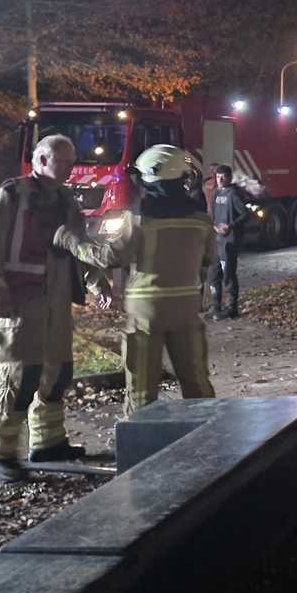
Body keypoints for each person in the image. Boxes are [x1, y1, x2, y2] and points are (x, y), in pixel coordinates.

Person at [53, 145, 217, 416]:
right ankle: (209, 440)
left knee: (141, 388)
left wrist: (73, 242)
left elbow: (109, 257)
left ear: (150, 180)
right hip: (187, 309)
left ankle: (142, 446)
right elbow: (209, 258)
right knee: (197, 383)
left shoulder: (139, 221)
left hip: (146, 312)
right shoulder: (201, 221)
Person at [0, 134, 94, 482]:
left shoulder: (65, 199)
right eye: (62, 162)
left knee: (57, 373)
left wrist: (97, 283)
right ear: (40, 160)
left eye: (71, 162)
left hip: (55, 299)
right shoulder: (10, 196)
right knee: (19, 377)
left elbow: (77, 248)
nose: (68, 169)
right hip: (18, 300)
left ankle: (48, 442)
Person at [208, 164, 250, 320]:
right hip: (216, 241)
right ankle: (215, 306)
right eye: (218, 176)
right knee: (213, 274)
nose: (220, 179)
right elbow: (212, 214)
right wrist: (213, 226)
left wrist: (230, 226)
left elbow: (245, 214)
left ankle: (232, 308)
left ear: (229, 178)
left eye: (223, 176)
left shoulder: (233, 194)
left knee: (228, 275)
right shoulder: (215, 193)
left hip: (229, 242)